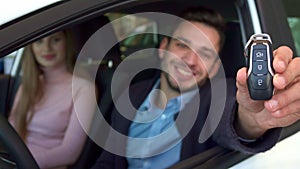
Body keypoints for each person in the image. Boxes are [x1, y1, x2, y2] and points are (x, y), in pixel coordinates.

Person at [91, 6, 300, 169]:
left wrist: (251, 123)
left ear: (215, 66)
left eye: (205, 53)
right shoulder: (132, 93)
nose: (190, 60)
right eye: (182, 45)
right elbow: (108, 162)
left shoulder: (218, 97)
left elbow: (234, 117)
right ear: (164, 48)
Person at [9, 30, 97, 169]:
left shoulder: (83, 88)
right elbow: (12, 131)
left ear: (67, 43)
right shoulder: (29, 83)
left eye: (55, 40)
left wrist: (22, 163)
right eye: (39, 41)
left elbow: (70, 152)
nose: (47, 48)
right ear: (30, 47)